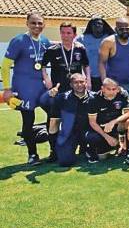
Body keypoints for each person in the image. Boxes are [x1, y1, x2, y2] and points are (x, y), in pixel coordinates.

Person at [2, 12, 52, 165]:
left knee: (53, 114)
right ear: (27, 24)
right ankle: (32, 154)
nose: (37, 26)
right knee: (28, 120)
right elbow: (4, 66)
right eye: (33, 23)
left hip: (41, 86)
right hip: (24, 87)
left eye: (40, 23)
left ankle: (54, 150)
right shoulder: (18, 41)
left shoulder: (45, 41)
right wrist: (7, 89)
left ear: (44, 25)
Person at [47, 73, 94, 166]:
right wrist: (54, 147)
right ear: (71, 85)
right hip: (70, 134)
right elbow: (54, 123)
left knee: (98, 145)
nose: (79, 85)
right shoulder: (62, 98)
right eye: (75, 83)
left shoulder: (95, 97)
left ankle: (89, 149)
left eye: (81, 82)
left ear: (86, 82)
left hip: (89, 133)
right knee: (65, 162)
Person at [85, 78, 129, 163]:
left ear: (117, 89)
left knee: (128, 122)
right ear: (102, 88)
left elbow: (128, 113)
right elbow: (92, 122)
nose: (111, 92)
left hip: (115, 126)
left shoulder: (123, 94)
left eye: (114, 89)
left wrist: (113, 122)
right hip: (101, 129)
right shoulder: (94, 99)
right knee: (102, 157)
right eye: (108, 89)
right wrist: (107, 137)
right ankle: (94, 149)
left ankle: (127, 149)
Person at [99, 18, 129, 102]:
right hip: (113, 85)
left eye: (127, 29)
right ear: (116, 30)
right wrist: (104, 82)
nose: (125, 31)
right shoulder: (108, 42)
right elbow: (101, 63)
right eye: (121, 29)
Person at [42, 22, 91, 93]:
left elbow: (86, 65)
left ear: (74, 35)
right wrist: (46, 79)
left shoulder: (80, 49)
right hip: (58, 87)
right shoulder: (52, 50)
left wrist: (88, 80)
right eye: (63, 33)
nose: (65, 35)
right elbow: (43, 66)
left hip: (76, 87)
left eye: (68, 33)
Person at [76, 15, 115, 91]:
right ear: (90, 26)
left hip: (107, 77)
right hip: (88, 78)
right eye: (94, 24)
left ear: (104, 26)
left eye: (99, 24)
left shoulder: (110, 38)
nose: (97, 25)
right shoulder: (81, 39)